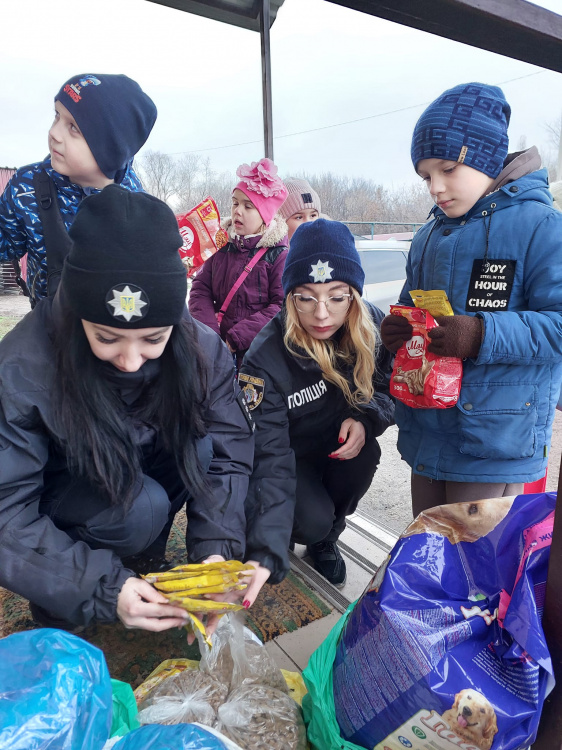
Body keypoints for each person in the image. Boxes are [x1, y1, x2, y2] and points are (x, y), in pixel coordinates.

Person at [0, 185, 254, 633]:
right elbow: (5, 510)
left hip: (139, 475)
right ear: (77, 314)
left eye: (153, 340)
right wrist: (97, 586)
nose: (131, 359)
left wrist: (217, 552)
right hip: (66, 494)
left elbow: (230, 449)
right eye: (107, 338)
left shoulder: (200, 347)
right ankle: (63, 596)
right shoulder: (23, 365)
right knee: (137, 510)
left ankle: (141, 549)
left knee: (199, 453)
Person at [379, 82, 562, 516]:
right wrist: (401, 331)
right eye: (426, 176)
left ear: (484, 157)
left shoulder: (542, 227)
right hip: (428, 428)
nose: (436, 188)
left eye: (447, 169)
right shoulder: (428, 234)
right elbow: (415, 307)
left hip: (494, 439)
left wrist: (481, 334)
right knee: (428, 559)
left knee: (475, 574)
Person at [238, 219, 394, 601]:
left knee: (367, 453)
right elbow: (267, 456)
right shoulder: (264, 358)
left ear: (354, 295)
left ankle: (329, 538)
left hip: (338, 447)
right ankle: (295, 528)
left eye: (337, 297)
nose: (322, 314)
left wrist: (366, 416)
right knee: (310, 521)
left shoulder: (372, 325)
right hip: (287, 457)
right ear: (290, 296)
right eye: (306, 297)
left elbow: (391, 384)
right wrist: (267, 545)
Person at [0, 73, 156, 305]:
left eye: (73, 127)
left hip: (110, 331)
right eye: (57, 116)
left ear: (109, 148)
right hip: (48, 326)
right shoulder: (26, 187)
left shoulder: (135, 201)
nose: (54, 133)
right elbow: (5, 244)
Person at [188, 158, 288, 369]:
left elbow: (282, 306)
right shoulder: (221, 245)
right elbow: (200, 289)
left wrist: (236, 338)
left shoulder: (278, 255)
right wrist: (210, 337)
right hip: (216, 353)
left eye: (248, 206)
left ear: (265, 216)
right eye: (235, 203)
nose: (237, 211)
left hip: (258, 356)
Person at [279, 178, 322, 242]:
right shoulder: (275, 251)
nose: (308, 223)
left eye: (313, 215)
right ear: (282, 223)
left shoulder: (329, 248)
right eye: (299, 217)